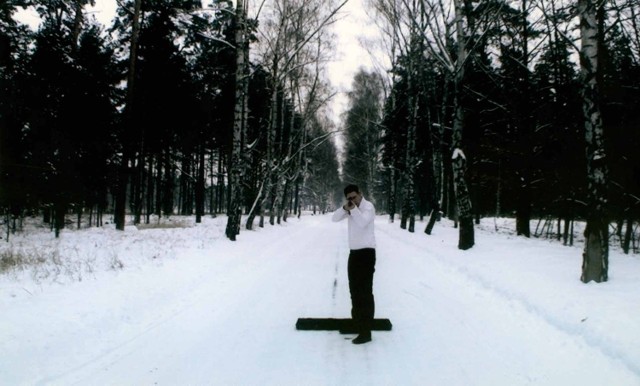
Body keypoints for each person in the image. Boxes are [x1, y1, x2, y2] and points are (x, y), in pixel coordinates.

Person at [332, 184, 376, 345]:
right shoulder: (351, 208)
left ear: (360, 194)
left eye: (354, 197)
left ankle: (366, 331)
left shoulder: (368, 207)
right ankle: (357, 323)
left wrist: (353, 209)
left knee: (365, 292)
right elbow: (334, 218)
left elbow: (363, 223)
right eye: (349, 198)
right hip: (354, 254)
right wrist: (345, 208)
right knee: (354, 290)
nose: (352, 200)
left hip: (367, 254)